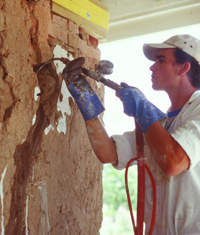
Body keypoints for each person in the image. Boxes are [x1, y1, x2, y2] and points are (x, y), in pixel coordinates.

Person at [63, 34, 200, 235]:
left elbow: (173, 162)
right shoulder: (161, 126)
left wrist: (143, 108)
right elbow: (108, 152)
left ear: (183, 67)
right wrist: (87, 103)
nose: (152, 67)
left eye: (160, 60)